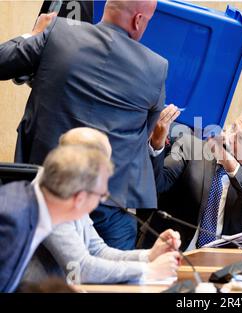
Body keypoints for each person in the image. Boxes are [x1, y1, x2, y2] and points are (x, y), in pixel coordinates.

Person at [0, 0, 169, 249]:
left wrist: (34, 34)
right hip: (110, 204)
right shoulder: (156, 67)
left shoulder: (59, 32)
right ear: (138, 20)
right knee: (114, 284)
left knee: (37, 282)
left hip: (48, 192)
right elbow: (145, 131)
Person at [22, 127, 181, 285]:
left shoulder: (74, 187)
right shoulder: (52, 196)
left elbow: (98, 251)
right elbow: (80, 269)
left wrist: (150, 256)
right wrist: (148, 270)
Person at [139, 109, 242, 251]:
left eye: (241, 138)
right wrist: (157, 144)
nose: (230, 136)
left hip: (222, 260)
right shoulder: (191, 147)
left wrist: (230, 165)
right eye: (234, 126)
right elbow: (156, 184)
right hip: (173, 251)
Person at [0, 145, 113, 292]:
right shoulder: (13, 219)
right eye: (102, 195)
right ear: (79, 198)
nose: (101, 201)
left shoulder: (30, 205)